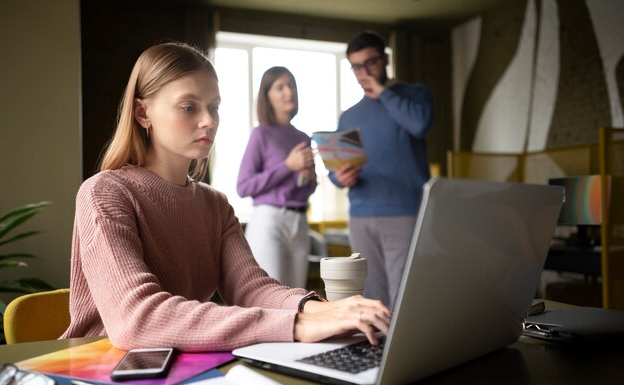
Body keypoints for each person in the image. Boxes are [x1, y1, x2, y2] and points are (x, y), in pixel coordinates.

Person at [60, 42, 391, 352]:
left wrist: (323, 310)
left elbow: (251, 289)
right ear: (143, 113)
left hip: (182, 366)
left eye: (214, 107)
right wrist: (297, 324)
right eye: (189, 107)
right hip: (103, 370)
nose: (208, 121)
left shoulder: (215, 204)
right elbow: (137, 319)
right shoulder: (104, 193)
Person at [330, 31, 435, 309]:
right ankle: (377, 353)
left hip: (406, 213)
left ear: (386, 59)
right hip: (361, 217)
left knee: (407, 295)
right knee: (371, 297)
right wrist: (339, 178)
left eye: (371, 63)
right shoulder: (350, 116)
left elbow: (419, 125)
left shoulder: (415, 95)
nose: (364, 72)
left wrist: (385, 92)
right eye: (356, 66)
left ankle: (410, 353)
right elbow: (336, 170)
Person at [237, 67, 316, 289]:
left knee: (297, 297)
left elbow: (306, 189)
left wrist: (307, 178)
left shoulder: (303, 138)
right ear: (267, 96)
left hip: (300, 223)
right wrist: (287, 166)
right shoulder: (260, 134)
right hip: (270, 222)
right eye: (280, 87)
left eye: (291, 85)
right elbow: (243, 186)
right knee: (272, 296)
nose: (288, 92)